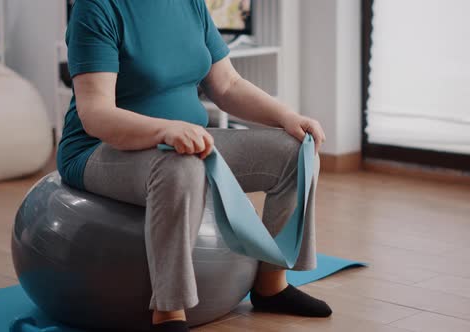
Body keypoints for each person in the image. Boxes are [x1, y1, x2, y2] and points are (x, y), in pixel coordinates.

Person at [57, 1, 329, 331]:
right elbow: (96, 113)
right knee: (181, 167)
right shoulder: (97, 8)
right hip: (101, 148)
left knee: (295, 151)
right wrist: (163, 129)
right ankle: (170, 313)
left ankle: (271, 284)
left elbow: (227, 84)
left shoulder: (191, 4)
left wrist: (288, 117)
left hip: (188, 141)